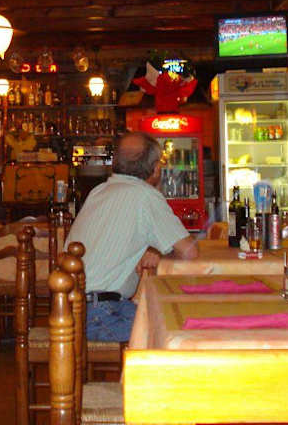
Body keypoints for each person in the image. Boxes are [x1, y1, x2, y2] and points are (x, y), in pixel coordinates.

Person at [65, 131, 198, 342]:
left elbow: (120, 238)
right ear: (156, 168)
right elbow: (189, 252)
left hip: (71, 309)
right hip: (100, 315)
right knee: (180, 330)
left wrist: (152, 250)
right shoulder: (145, 196)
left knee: (165, 316)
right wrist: (160, 254)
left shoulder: (99, 191)